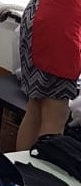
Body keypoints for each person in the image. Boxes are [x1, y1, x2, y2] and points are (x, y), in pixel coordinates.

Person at [16, 0, 81, 151]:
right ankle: (40, 166)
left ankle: (20, 165)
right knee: (55, 116)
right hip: (58, 28)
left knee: (35, 109)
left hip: (39, 17)